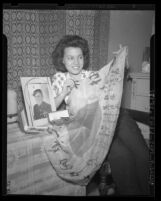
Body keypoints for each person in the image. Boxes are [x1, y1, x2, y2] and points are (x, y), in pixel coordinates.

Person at [51, 35, 150, 195]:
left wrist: (121, 62)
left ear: (84, 58)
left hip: (118, 119)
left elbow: (114, 81)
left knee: (143, 155)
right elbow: (50, 109)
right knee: (122, 159)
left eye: (79, 57)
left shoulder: (92, 75)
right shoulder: (59, 78)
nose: (76, 62)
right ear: (62, 60)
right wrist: (63, 92)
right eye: (70, 58)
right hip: (96, 130)